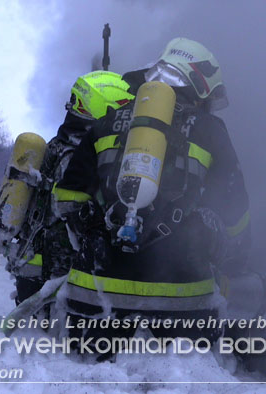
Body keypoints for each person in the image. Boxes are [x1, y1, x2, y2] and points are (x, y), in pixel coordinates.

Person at [52, 38, 251, 355]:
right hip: (184, 306)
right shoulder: (210, 129)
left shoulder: (105, 122)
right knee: (182, 374)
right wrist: (229, 253)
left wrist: (94, 231)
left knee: (90, 373)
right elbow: (234, 208)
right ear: (198, 85)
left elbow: (66, 198)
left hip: (94, 302)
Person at [0, 71, 134, 306]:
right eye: (121, 110)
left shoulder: (59, 144)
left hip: (32, 261)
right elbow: (67, 213)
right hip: (54, 269)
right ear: (105, 107)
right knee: (48, 330)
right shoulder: (78, 154)